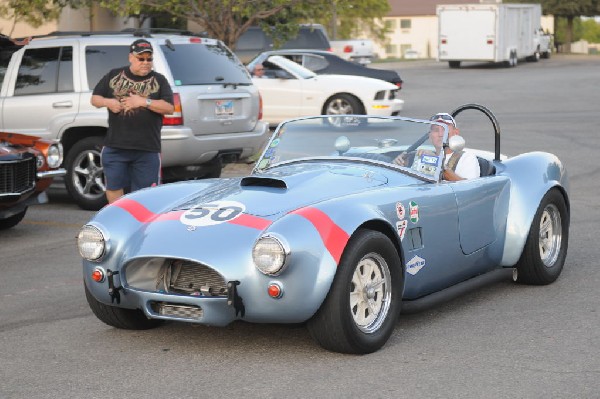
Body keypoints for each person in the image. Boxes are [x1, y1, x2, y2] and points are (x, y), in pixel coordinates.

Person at [91, 39, 175, 204]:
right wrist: (108, 102)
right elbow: (95, 98)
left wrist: (144, 102)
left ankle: (141, 226)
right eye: (140, 58)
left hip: (147, 149)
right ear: (131, 57)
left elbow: (169, 108)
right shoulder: (114, 75)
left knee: (145, 194)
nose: (145, 63)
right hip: (116, 147)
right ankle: (118, 220)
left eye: (149, 59)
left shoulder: (160, 80)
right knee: (114, 188)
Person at [394, 112, 480, 181]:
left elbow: (469, 189)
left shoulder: (467, 158)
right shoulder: (420, 157)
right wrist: (401, 167)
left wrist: (436, 162)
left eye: (445, 129)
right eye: (435, 130)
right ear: (430, 135)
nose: (440, 134)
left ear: (456, 133)